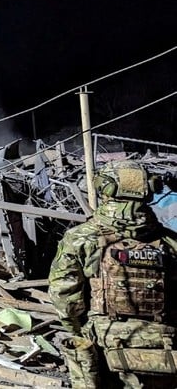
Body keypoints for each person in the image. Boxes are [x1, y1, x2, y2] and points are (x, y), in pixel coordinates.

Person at [49, 160, 177, 389]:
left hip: (106, 347)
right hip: (165, 349)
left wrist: (79, 332)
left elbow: (64, 299)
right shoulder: (170, 242)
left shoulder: (80, 238)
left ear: (104, 189)